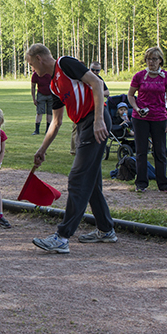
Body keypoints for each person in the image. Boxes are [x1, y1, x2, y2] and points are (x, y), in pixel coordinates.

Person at [24, 44, 116, 253]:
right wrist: (42, 149)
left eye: (31, 65)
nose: (32, 70)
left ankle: (62, 237)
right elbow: (56, 122)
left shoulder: (65, 63)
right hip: (83, 126)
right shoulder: (54, 85)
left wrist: (99, 120)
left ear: (38, 58)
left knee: (77, 177)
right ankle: (106, 229)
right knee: (90, 182)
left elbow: (97, 84)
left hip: (94, 121)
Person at [128, 47, 167, 193]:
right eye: (149, 59)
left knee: (160, 151)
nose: (151, 62)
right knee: (141, 151)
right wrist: (136, 108)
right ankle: (141, 183)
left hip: (159, 117)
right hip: (140, 118)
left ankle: (163, 184)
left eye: (154, 59)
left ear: (160, 60)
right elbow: (130, 95)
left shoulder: (166, 77)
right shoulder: (139, 76)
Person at [71, 62, 110, 154]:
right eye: (93, 70)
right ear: (89, 68)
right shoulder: (82, 77)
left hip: (95, 108)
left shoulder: (99, 79)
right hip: (81, 108)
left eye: (97, 70)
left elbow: (107, 92)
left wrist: (97, 92)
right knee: (76, 129)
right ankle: (74, 149)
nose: (95, 72)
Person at [30, 68, 53, 136]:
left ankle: (48, 130)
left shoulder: (50, 72)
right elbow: (33, 87)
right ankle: (37, 130)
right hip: (41, 95)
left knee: (49, 113)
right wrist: (34, 99)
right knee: (39, 112)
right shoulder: (36, 74)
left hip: (51, 95)